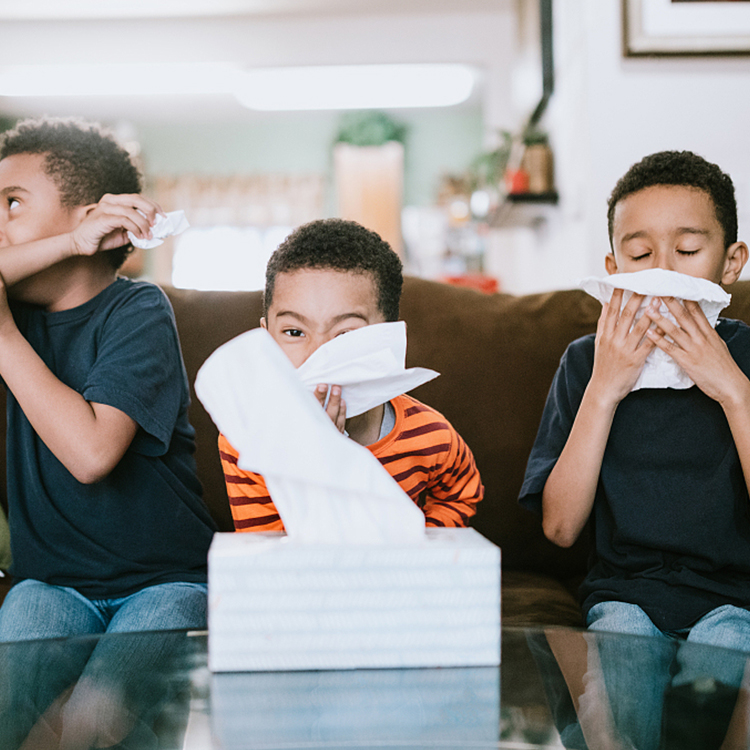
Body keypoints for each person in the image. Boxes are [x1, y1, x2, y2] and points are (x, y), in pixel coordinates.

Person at [519, 150, 750, 749]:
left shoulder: (746, 362)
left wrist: (731, 389)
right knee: (623, 676)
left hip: (735, 602)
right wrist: (606, 386)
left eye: (688, 250)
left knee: (725, 656)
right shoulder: (583, 363)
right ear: (614, 267)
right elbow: (561, 529)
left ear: (732, 263)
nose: (661, 272)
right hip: (625, 599)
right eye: (642, 255)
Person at [0, 116, 217, 646]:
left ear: (94, 218)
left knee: (101, 713)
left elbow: (91, 454)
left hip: (164, 581)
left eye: (11, 203)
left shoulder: (139, 309)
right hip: (50, 587)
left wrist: (3, 337)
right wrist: (71, 241)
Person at [220, 218, 483, 531]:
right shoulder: (247, 442)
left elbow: (462, 492)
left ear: (385, 339)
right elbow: (271, 554)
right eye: (294, 331)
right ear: (266, 340)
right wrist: (314, 465)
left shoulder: (431, 435)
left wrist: (421, 545)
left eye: (344, 334)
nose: (317, 354)